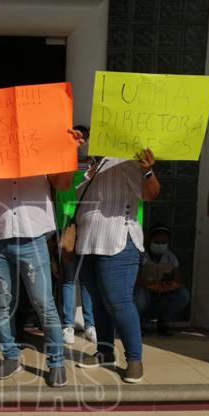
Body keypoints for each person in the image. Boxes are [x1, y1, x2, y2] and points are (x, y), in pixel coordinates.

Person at [0, 126, 83, 388]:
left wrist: (69, 151)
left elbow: (62, 184)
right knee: (3, 304)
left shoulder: (43, 145)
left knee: (43, 304)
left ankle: (57, 361)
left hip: (32, 237)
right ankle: (11, 356)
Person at [74, 149, 160, 384]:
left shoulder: (125, 160)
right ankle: (105, 351)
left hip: (117, 242)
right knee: (99, 301)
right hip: (88, 243)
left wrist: (148, 171)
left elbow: (150, 194)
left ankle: (134, 359)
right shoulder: (92, 164)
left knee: (119, 303)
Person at [54, 125, 97, 345]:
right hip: (68, 228)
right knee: (69, 279)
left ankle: (90, 325)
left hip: (90, 228)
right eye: (79, 140)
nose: (83, 144)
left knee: (87, 280)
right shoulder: (63, 169)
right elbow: (58, 200)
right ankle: (68, 326)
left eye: (86, 139)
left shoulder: (97, 169)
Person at [134, 224, 190, 335]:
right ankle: (137, 323)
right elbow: (135, 278)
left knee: (183, 294)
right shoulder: (141, 255)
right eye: (157, 242)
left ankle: (164, 321)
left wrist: (170, 286)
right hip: (143, 297)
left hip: (161, 298)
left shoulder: (170, 257)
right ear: (149, 240)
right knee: (139, 294)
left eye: (164, 242)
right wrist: (149, 285)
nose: (160, 245)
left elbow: (178, 281)